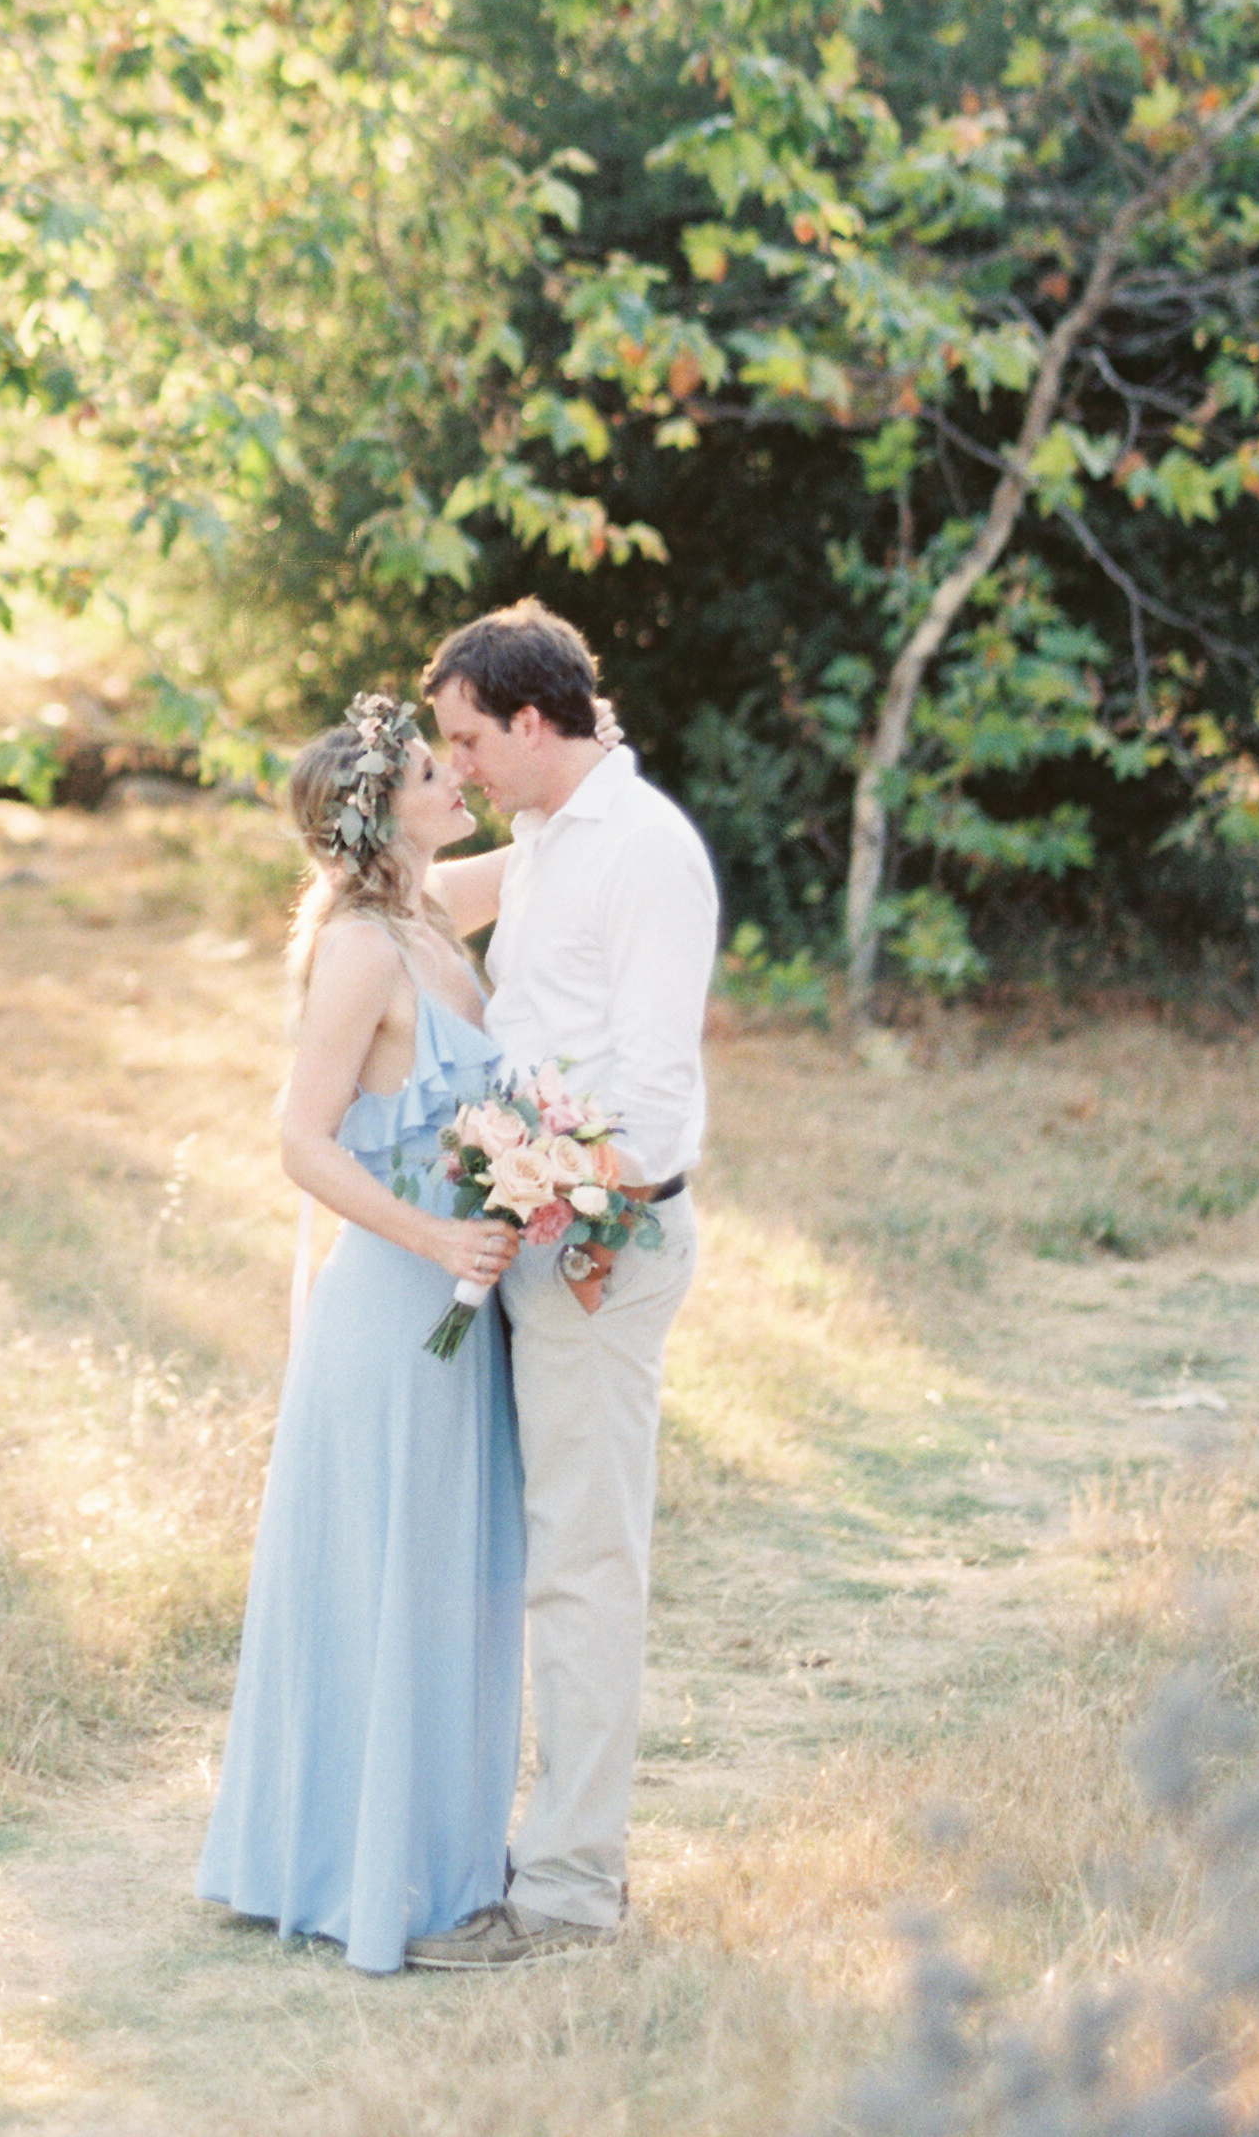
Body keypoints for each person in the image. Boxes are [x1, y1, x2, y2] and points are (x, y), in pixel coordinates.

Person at [194, 694, 532, 1974]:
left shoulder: (434, 913)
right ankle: (346, 1865)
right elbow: (299, 1139)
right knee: (383, 1576)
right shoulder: (360, 949)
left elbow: (560, 848)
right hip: (398, 1304)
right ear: (383, 809)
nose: (463, 782)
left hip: (469, 1302)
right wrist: (438, 1239)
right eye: (439, 772)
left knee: (447, 1576)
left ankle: (433, 1852)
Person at [405, 603, 713, 1965]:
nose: (454, 762)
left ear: (532, 722)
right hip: (528, 1231)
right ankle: (507, 1846)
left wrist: (567, 1211)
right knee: (537, 1557)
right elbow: (401, 893)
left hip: (598, 1247)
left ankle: (572, 1894)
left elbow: (647, 1099)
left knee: (583, 1567)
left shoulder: (643, 851)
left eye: (465, 737)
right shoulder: (538, 839)